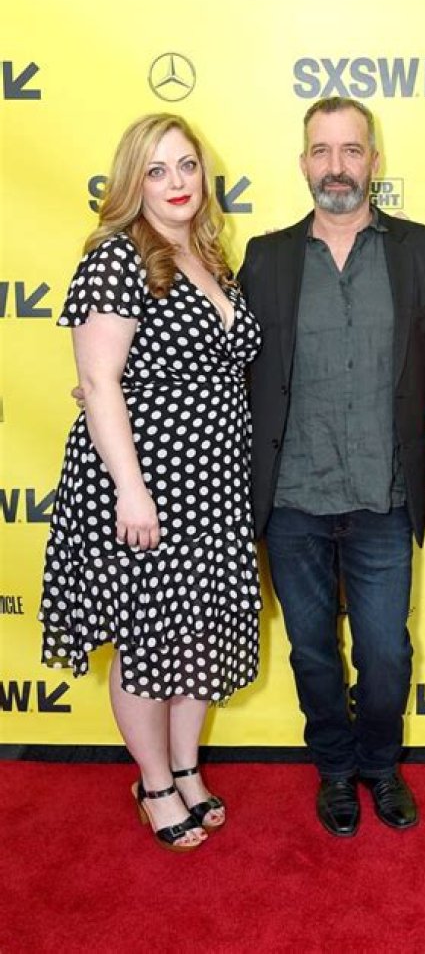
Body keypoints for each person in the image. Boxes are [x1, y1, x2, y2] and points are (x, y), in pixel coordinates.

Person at [40, 113, 262, 851]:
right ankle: (155, 782)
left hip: (214, 486)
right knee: (147, 637)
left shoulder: (209, 256)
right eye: (157, 169)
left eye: (187, 165)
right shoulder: (117, 258)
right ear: (132, 181)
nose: (176, 182)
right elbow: (99, 381)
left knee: (197, 631)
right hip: (147, 483)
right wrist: (132, 491)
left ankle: (187, 767)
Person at [239, 97, 425, 837]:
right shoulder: (266, 257)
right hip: (292, 498)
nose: (337, 167)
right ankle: (333, 769)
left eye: (351, 150)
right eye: (322, 151)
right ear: (303, 163)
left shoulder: (423, 251)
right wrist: (120, 383)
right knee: (313, 651)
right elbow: (224, 361)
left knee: (386, 653)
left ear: (374, 162)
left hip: (383, 495)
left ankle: (381, 766)